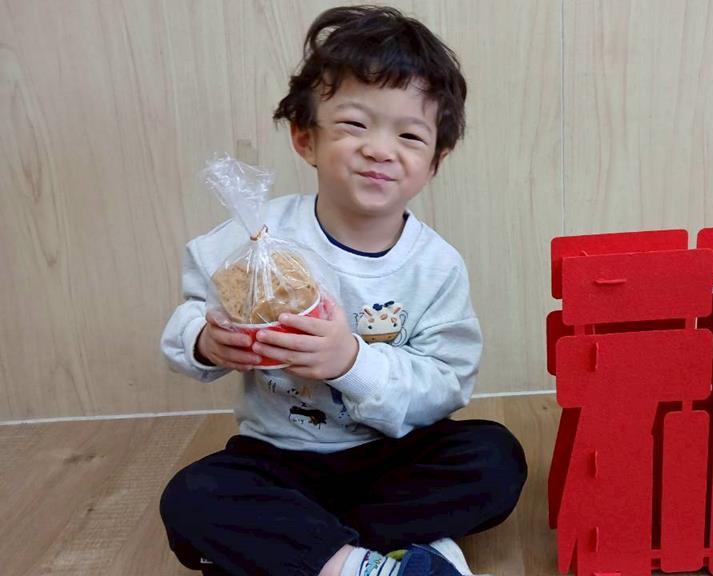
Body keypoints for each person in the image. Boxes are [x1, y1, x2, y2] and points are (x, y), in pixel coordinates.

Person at [159, 6, 527, 575]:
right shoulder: (257, 236)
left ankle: (311, 550)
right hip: (279, 457)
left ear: (435, 160)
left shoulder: (436, 265)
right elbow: (186, 322)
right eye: (355, 125)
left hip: (393, 454)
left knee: (495, 459)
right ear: (305, 138)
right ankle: (375, 559)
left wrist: (351, 362)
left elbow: (447, 383)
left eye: (409, 135)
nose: (379, 149)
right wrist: (208, 343)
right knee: (192, 498)